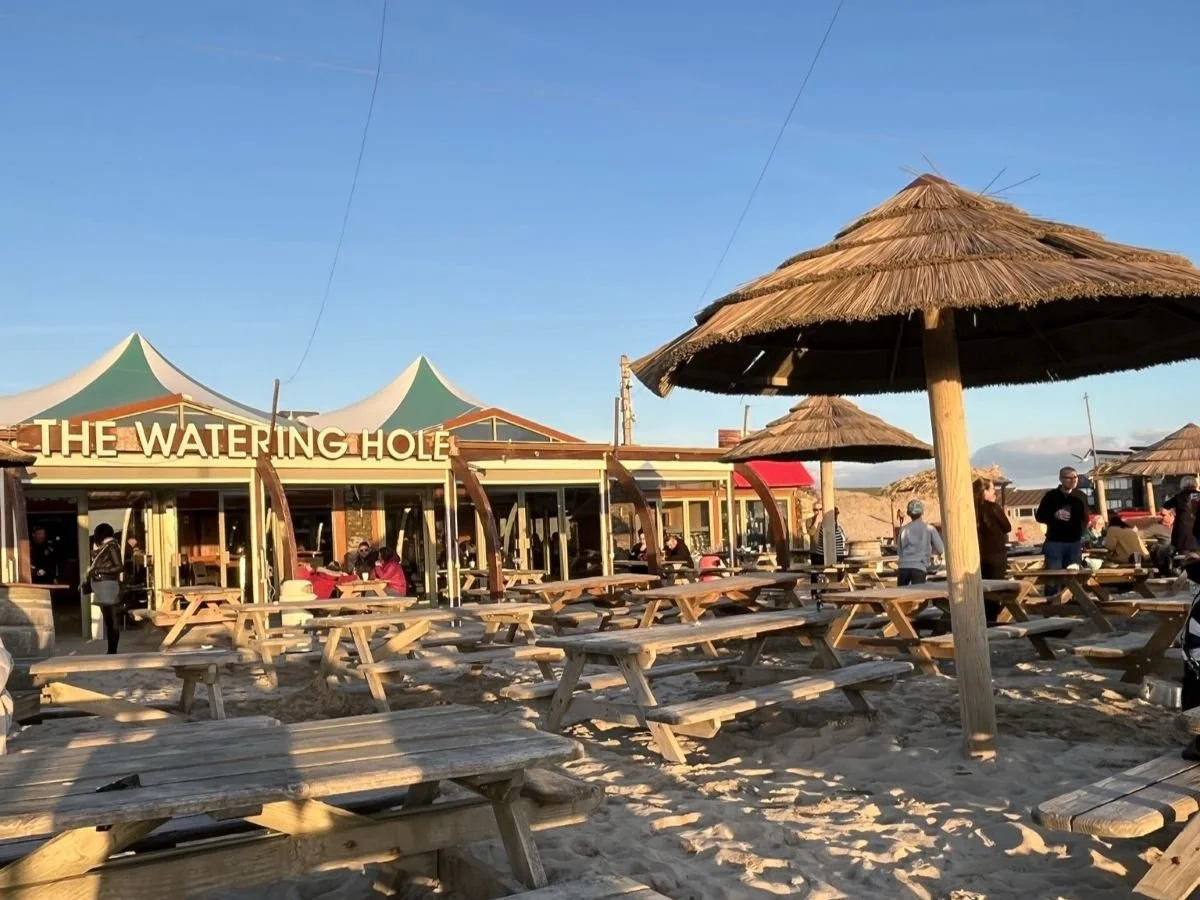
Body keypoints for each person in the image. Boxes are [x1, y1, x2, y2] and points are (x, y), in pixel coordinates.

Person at [1034, 466, 1088, 577]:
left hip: (1074, 543)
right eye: (1069, 477)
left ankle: (1072, 595)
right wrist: (1054, 515)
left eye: (1075, 477)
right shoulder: (1051, 496)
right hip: (1055, 542)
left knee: (1074, 578)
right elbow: (1039, 516)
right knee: (1054, 577)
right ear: (1061, 479)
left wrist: (1081, 534)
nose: (1073, 480)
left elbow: (1085, 518)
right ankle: (1052, 595)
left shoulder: (1081, 496)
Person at [974, 478, 1012, 621]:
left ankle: (983, 616)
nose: (994, 492)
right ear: (984, 492)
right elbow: (1007, 527)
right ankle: (992, 617)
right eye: (991, 489)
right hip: (996, 554)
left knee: (982, 587)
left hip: (979, 554)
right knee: (995, 587)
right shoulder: (993, 507)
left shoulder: (971, 508)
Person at [85, 523, 123, 654]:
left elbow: (119, 567)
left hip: (108, 586)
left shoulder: (112, 547)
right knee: (108, 621)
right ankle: (111, 650)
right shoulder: (104, 547)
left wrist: (99, 570)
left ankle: (112, 651)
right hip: (102, 587)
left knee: (112, 621)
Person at [896, 500, 943, 586]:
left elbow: (899, 551)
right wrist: (933, 554)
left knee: (901, 597)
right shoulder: (929, 529)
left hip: (903, 567)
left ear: (908, 513)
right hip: (919, 566)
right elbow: (940, 548)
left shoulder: (903, 529)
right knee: (919, 596)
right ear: (922, 512)